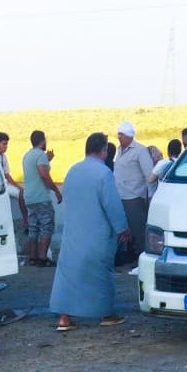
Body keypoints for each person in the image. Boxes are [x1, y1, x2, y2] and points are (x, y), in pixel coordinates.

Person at [50, 133, 132, 330]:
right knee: (101, 273)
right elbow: (112, 205)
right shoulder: (103, 173)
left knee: (68, 273)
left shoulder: (73, 171)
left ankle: (64, 317)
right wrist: (122, 228)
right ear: (103, 150)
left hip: (73, 233)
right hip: (97, 234)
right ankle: (107, 314)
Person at [112, 121, 154, 268]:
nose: (119, 137)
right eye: (118, 135)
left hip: (134, 196)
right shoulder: (119, 150)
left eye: (122, 135)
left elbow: (149, 174)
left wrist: (151, 196)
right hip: (120, 196)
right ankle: (128, 255)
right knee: (124, 228)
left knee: (137, 229)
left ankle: (141, 260)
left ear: (129, 136)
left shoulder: (140, 151)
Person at [21, 130, 61, 267]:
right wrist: (56, 190)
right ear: (42, 141)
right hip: (41, 197)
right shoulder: (40, 155)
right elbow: (43, 174)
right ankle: (43, 257)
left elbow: (34, 171)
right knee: (46, 226)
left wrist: (47, 160)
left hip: (29, 197)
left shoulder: (27, 155)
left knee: (33, 228)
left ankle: (33, 257)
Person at [0, 132, 28, 251]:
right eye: (4, 144)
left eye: (6, 144)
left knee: (21, 193)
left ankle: (25, 220)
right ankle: (23, 220)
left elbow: (7, 174)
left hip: (5, 184)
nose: (6, 147)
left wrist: (18, 186)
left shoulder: (3, 156)